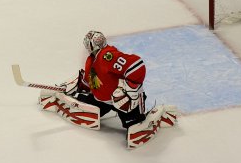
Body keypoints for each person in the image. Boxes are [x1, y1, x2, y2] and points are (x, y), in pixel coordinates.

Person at [39, 30, 177, 148]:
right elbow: (89, 82)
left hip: (124, 103)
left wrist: (130, 91)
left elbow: (137, 66)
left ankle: (161, 114)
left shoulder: (107, 56)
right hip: (101, 100)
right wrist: (68, 87)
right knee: (79, 99)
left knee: (135, 127)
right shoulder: (92, 59)